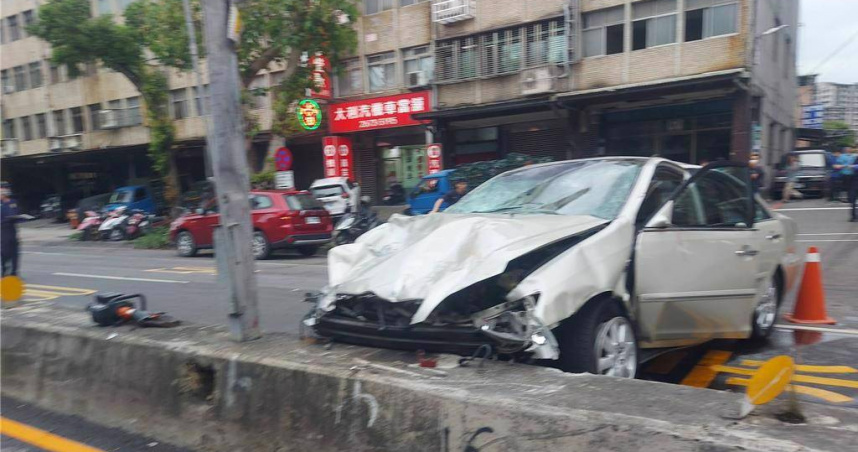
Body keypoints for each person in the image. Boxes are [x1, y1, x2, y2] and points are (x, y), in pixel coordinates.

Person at [1, 183, 22, 276]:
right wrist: (6, 220)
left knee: (15, 252)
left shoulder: (13, 202)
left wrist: (19, 217)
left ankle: (14, 273)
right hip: (3, 231)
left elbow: (17, 213)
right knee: (5, 253)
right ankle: (5, 272)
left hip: (12, 230)